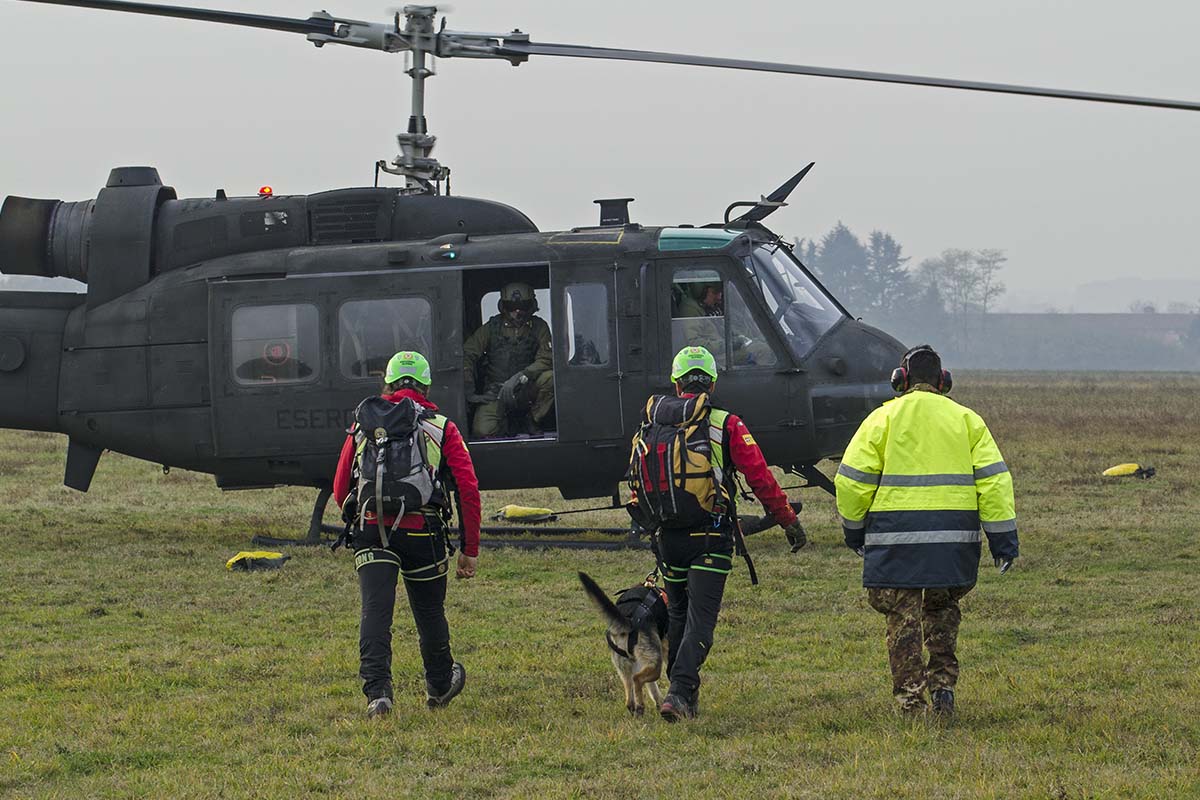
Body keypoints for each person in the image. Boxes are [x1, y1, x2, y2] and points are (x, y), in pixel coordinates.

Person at [835, 344, 1018, 717]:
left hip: (895, 542)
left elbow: (852, 481)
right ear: (943, 381)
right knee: (943, 612)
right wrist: (1002, 539)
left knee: (903, 621)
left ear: (900, 381)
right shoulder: (968, 420)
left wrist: (854, 530)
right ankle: (943, 689)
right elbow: (995, 483)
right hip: (953, 543)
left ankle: (910, 702)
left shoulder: (882, 419)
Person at [627, 345, 807, 722]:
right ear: (711, 382)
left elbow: (636, 484)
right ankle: (679, 694)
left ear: (677, 384)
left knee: (677, 614)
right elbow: (760, 478)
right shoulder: (725, 423)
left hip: (667, 540)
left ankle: (682, 696)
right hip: (710, 539)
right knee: (701, 620)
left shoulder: (651, 425)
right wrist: (787, 519)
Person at [332, 351, 482, 719]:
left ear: (388, 383)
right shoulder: (442, 427)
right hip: (423, 531)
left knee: (375, 610)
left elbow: (340, 487)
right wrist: (470, 548)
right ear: (426, 385)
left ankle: (378, 694)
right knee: (429, 612)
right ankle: (439, 684)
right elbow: (468, 489)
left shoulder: (364, 421)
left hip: (373, 528)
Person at [463, 282, 554, 437]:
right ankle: (506, 426)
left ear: (531, 305)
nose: (517, 311)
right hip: (496, 391)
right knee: (482, 431)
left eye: (523, 306)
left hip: (526, 388)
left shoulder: (539, 327)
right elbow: (467, 354)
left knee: (550, 378)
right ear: (503, 307)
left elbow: (546, 358)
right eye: (512, 307)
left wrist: (521, 376)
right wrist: (469, 391)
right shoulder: (491, 328)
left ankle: (531, 419)